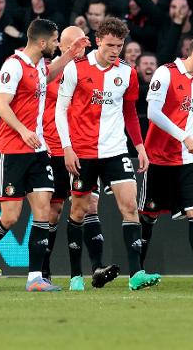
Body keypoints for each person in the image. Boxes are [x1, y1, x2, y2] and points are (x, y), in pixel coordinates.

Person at [0, 18, 89, 292]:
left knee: (43, 211)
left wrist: (70, 54)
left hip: (38, 150)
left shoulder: (37, 65)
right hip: (13, 150)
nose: (58, 45)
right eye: (56, 41)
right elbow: (1, 105)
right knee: (10, 217)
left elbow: (48, 75)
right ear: (42, 42)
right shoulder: (13, 65)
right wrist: (24, 131)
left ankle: (35, 277)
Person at [55, 17, 161, 291]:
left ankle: (136, 274)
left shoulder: (127, 72)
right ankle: (76, 275)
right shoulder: (76, 69)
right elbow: (60, 110)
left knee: (130, 207)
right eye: (110, 45)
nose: (115, 50)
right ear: (98, 40)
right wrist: (67, 147)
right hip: (83, 152)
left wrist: (139, 147)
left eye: (120, 45)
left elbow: (129, 113)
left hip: (115, 150)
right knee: (79, 211)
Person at [139, 34, 193, 288]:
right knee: (148, 216)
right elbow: (153, 113)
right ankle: (137, 271)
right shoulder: (165, 73)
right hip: (159, 158)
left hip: (191, 160)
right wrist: (183, 137)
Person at [42, 25, 117, 288]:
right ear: (60, 46)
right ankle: (43, 271)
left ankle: (97, 267)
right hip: (53, 149)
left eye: (82, 44)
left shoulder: (89, 71)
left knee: (88, 206)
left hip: (84, 149)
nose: (78, 49)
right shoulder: (49, 71)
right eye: (72, 44)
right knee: (53, 210)